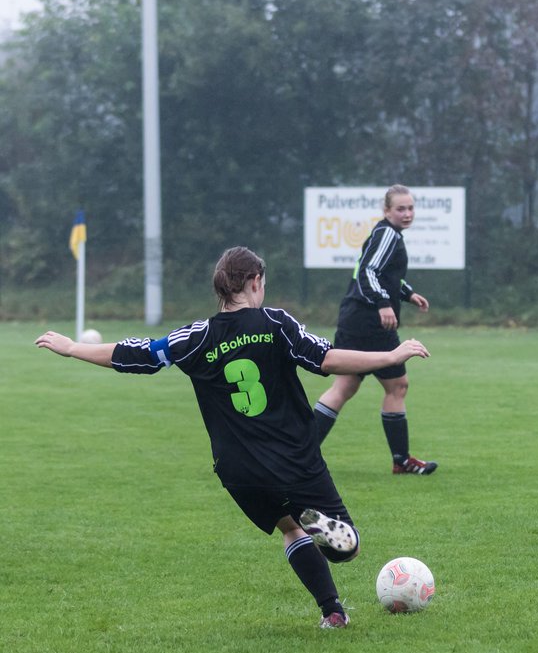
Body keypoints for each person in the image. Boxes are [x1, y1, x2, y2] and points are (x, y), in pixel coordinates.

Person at [35, 247, 430, 628]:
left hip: (238, 468)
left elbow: (136, 354)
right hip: (294, 458)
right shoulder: (275, 323)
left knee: (289, 529)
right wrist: (390, 357)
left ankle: (333, 612)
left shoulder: (197, 336)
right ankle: (321, 530)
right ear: (255, 282)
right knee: (349, 547)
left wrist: (72, 349)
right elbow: (326, 359)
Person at [312, 184, 436, 475]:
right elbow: (368, 271)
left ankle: (302, 454)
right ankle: (401, 460)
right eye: (400, 209)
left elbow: (382, 274)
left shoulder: (387, 234)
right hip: (369, 323)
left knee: (346, 386)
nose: (407, 213)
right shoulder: (387, 234)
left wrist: (406, 294)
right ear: (387, 211)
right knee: (394, 386)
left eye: (410, 208)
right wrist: (383, 303)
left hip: (357, 320)